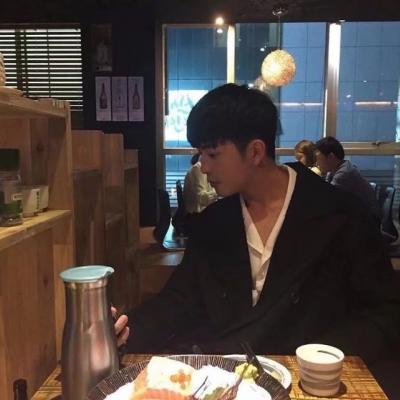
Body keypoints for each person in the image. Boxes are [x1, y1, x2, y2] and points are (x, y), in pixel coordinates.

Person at [115, 84, 400, 367]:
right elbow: (178, 300)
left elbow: (384, 312)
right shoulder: (214, 222)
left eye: (212, 154)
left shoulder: (340, 214)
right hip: (227, 376)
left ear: (255, 152)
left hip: (309, 378)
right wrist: (125, 329)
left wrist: (323, 358)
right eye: (200, 153)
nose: (203, 166)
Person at [315, 136, 380, 220]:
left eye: (319, 159)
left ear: (331, 157)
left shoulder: (344, 173)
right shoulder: (334, 170)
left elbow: (327, 201)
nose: (317, 163)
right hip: (357, 216)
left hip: (367, 220)